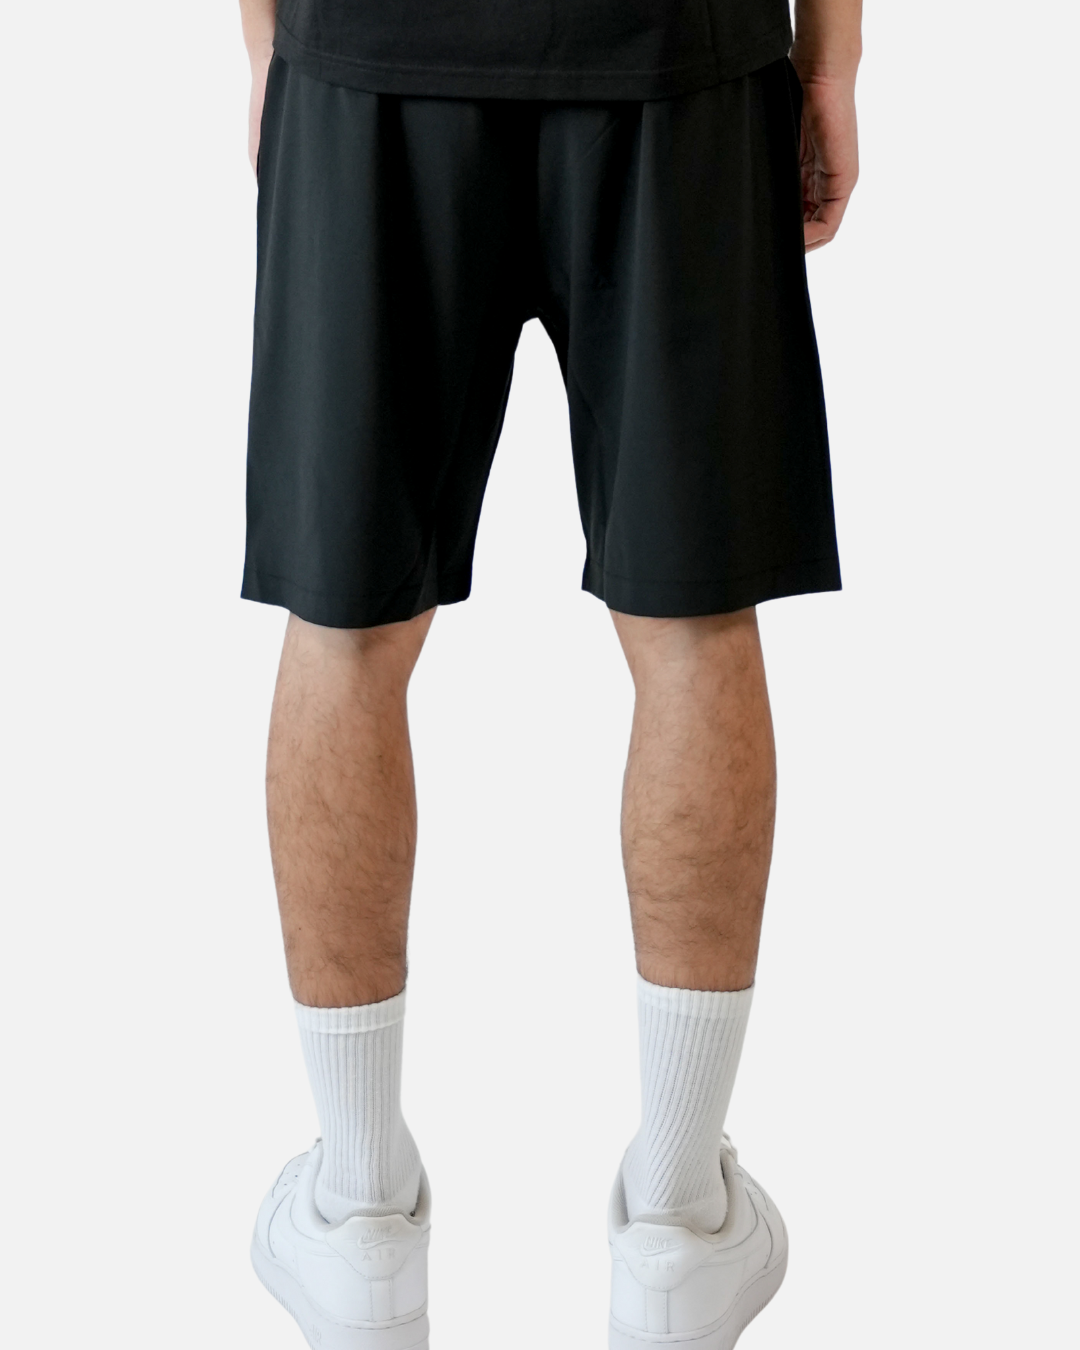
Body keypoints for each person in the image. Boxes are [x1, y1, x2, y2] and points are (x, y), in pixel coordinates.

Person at [238, 0, 860, 1343]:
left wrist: (271, 50)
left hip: (370, 49)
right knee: (690, 622)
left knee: (347, 624)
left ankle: (357, 1219)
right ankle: (682, 1226)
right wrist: (833, 61)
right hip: (675, 48)